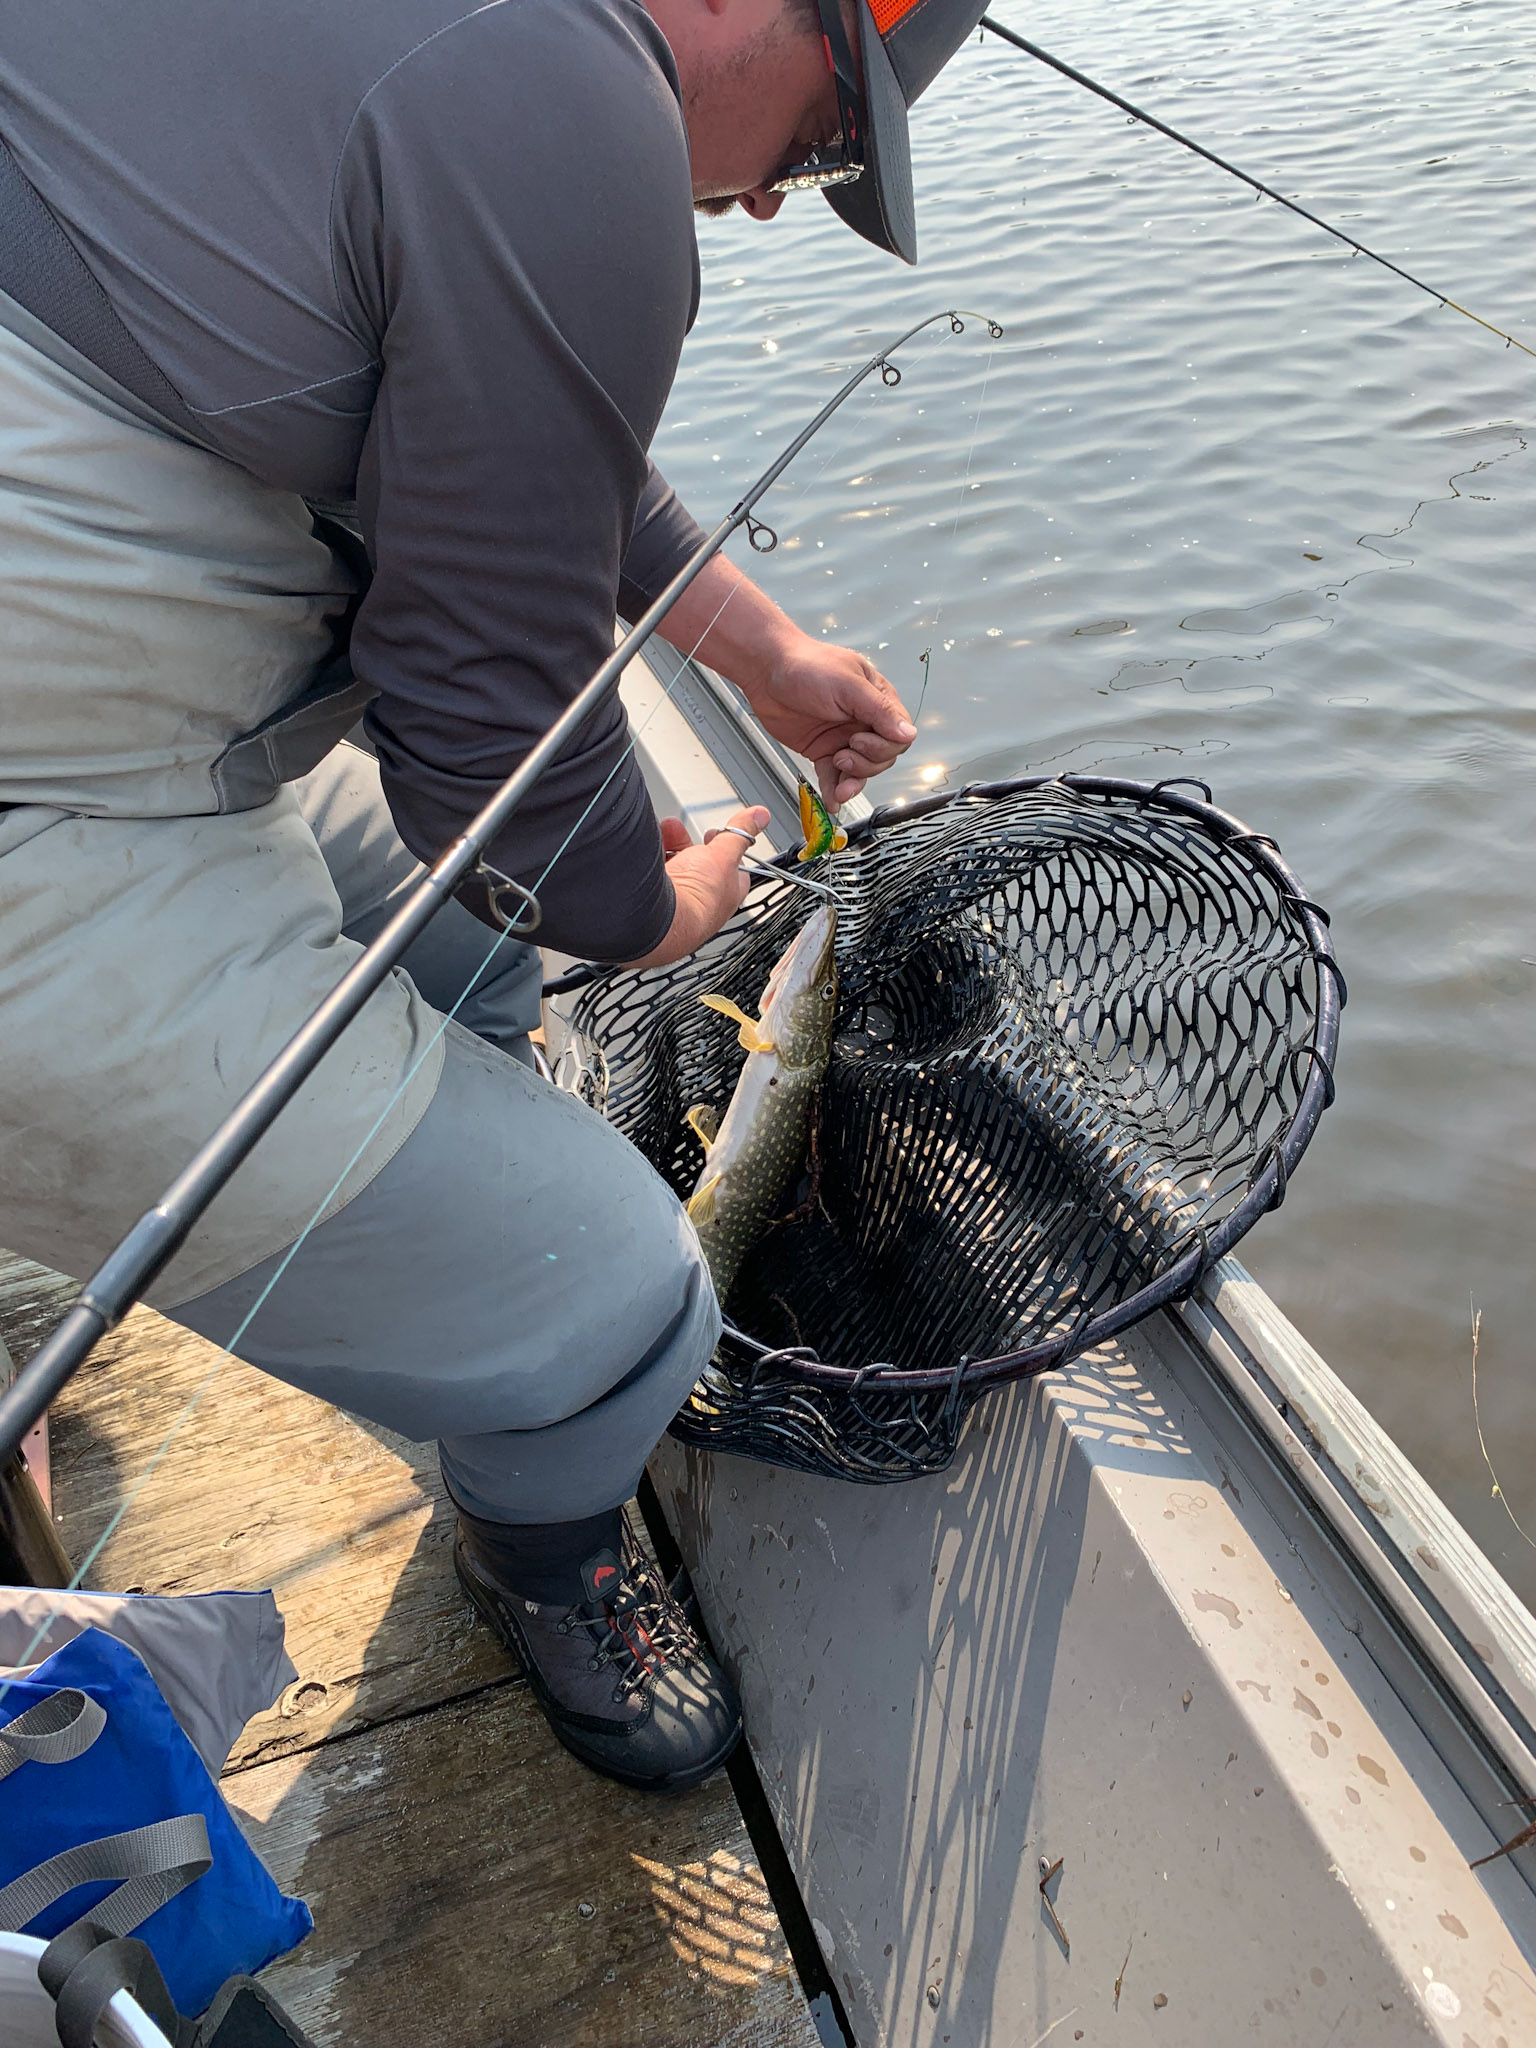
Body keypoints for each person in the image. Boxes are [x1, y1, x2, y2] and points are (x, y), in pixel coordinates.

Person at [0, 0, 989, 1791]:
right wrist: (670, 917)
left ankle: (446, 1186)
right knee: (630, 1302)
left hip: (102, 733)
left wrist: (751, 648)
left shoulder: (463, 45)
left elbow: (500, 391)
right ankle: (546, 1540)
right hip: (41, 828)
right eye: (829, 150)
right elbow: (501, 775)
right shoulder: (565, 91)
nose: (770, 206)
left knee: (461, 928)